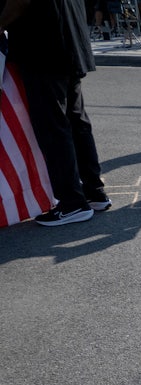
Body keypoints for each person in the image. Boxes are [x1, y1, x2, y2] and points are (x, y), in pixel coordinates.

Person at [1, 0, 111, 226]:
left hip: (43, 43)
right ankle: (94, 192)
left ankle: (72, 202)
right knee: (76, 119)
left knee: (53, 126)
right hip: (69, 36)